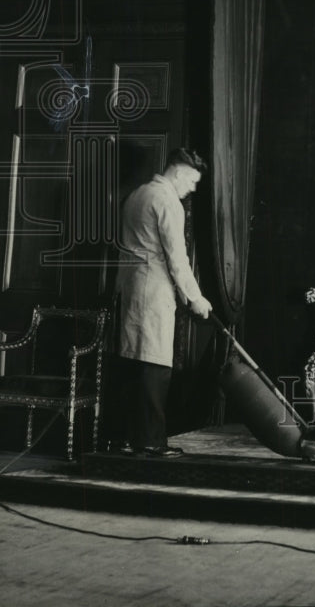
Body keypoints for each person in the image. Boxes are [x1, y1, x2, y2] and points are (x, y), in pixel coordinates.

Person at [114, 148, 213, 457]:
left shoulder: (137, 194)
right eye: (193, 181)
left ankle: (127, 439)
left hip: (132, 288)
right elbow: (177, 258)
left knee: (134, 363)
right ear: (180, 172)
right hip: (153, 289)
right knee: (155, 367)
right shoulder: (168, 200)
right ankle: (151, 443)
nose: (193, 188)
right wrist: (196, 298)